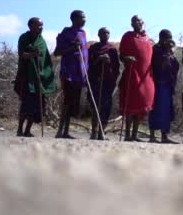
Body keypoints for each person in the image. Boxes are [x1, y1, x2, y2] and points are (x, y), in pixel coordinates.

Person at [14, 17, 57, 137]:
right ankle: (19, 129)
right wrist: (32, 54)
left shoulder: (41, 40)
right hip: (27, 77)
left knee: (37, 105)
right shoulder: (24, 38)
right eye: (39, 26)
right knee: (26, 104)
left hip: (39, 77)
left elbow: (45, 58)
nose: (41, 28)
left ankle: (28, 130)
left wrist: (45, 72)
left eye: (42, 26)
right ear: (31, 26)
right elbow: (22, 54)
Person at [119, 15, 155, 142]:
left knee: (142, 104)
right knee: (131, 104)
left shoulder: (148, 39)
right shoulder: (127, 36)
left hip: (146, 76)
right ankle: (127, 134)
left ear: (143, 22)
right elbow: (121, 55)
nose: (136, 23)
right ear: (131, 24)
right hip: (132, 74)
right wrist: (127, 58)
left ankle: (134, 135)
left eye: (139, 20)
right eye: (134, 21)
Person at [53, 10, 89, 139]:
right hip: (69, 73)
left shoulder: (83, 33)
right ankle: (60, 131)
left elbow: (85, 56)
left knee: (74, 103)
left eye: (85, 18)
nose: (84, 20)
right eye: (82, 18)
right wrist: (71, 49)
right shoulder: (66, 32)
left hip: (80, 74)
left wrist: (86, 72)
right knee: (67, 102)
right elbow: (57, 52)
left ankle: (66, 131)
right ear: (73, 19)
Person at [87, 27, 120, 140]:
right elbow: (89, 64)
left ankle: (102, 132)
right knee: (95, 106)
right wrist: (99, 59)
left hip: (107, 82)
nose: (105, 35)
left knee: (106, 107)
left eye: (107, 33)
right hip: (95, 81)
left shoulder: (113, 50)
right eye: (103, 33)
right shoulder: (93, 48)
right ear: (98, 35)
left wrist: (108, 62)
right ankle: (93, 132)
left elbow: (116, 67)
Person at [148, 29, 180, 144]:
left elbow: (175, 65)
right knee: (155, 109)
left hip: (168, 84)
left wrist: (171, 54)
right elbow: (153, 65)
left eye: (170, 37)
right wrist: (164, 61)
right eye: (167, 37)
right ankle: (152, 136)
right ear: (161, 38)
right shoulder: (155, 49)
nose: (169, 40)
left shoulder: (170, 50)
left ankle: (164, 136)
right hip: (157, 83)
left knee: (167, 111)